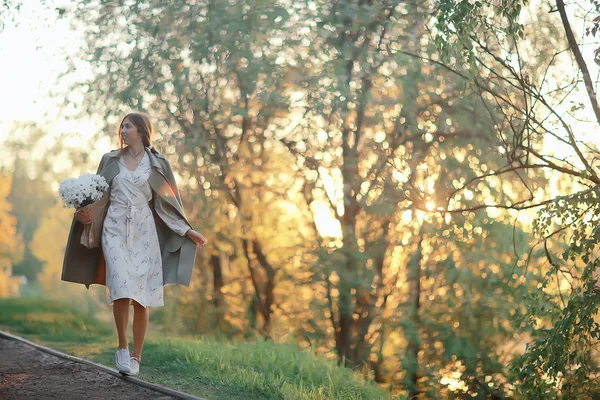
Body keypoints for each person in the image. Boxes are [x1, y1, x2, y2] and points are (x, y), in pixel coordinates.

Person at [61, 112, 206, 377]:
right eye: (122, 126)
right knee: (120, 285)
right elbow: (98, 197)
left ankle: (137, 357)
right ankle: (122, 348)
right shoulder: (110, 159)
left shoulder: (157, 162)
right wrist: (83, 213)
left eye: (128, 126)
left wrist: (187, 230)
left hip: (144, 230)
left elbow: (167, 205)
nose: (123, 130)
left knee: (142, 296)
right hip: (114, 227)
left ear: (141, 130)